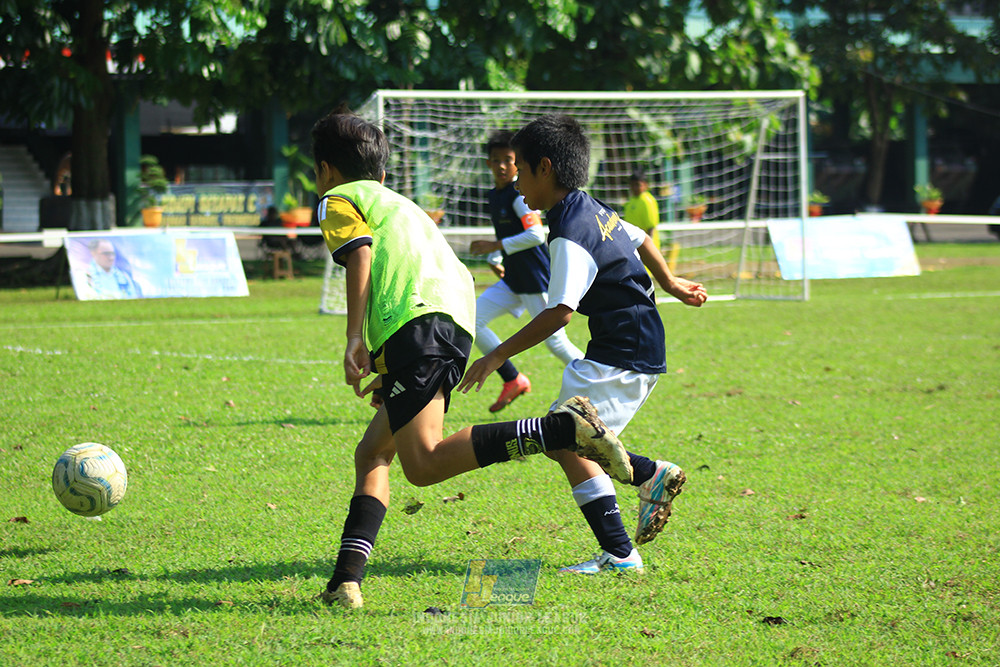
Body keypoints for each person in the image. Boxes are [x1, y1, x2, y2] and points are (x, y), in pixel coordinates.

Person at [312, 107, 635, 610]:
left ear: (325, 170)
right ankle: (344, 582)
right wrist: (389, 364)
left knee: (423, 463)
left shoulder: (338, 199)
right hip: (454, 318)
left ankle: (560, 431)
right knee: (374, 451)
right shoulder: (401, 204)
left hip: (419, 325)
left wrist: (354, 336)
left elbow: (363, 257)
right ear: (381, 172)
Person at [459, 114, 708, 575]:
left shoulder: (568, 232)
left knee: (565, 437)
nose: (516, 186)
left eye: (522, 173)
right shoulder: (588, 207)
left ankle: (639, 504)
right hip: (629, 344)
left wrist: (496, 355)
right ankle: (632, 518)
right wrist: (669, 283)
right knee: (567, 440)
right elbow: (640, 238)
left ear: (546, 168)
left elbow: (560, 313)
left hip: (624, 351)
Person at [468, 130, 584, 413]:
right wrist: (496, 256)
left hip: (534, 279)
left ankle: (596, 379)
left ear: (517, 163)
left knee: (556, 343)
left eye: (508, 160)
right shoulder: (495, 195)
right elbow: (508, 234)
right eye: (496, 160)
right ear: (488, 164)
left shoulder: (518, 196)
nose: (502, 166)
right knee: (472, 320)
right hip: (514, 280)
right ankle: (513, 378)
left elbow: (534, 234)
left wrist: (494, 245)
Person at [623, 168, 660, 253]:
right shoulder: (631, 200)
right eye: (632, 185)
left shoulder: (647, 201)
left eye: (638, 185)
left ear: (646, 185)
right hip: (634, 245)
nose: (634, 188)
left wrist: (649, 249)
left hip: (644, 246)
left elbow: (651, 228)